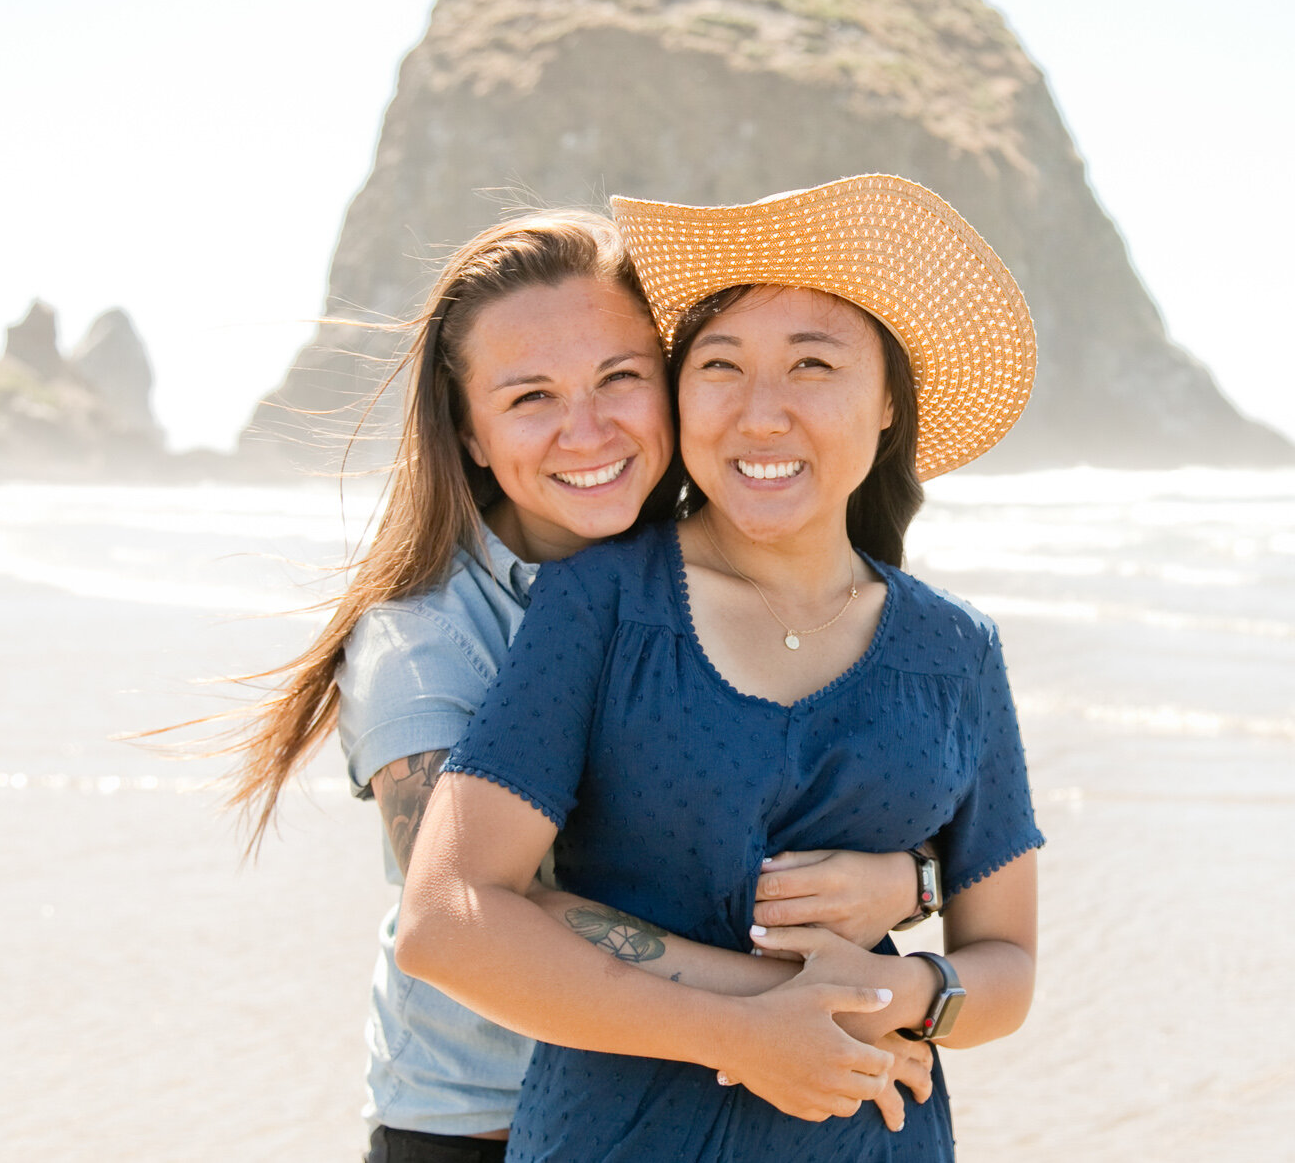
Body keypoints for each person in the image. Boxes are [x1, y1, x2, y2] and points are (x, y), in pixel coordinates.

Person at [211, 212, 937, 1162]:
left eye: (619, 377)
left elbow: (854, 797)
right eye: (530, 397)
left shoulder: (729, 567)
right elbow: (470, 907)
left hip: (696, 1106)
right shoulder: (425, 646)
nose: (586, 430)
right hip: (487, 1123)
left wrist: (908, 878)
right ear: (468, 433)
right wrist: (789, 1003)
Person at [396, 175, 1045, 1161]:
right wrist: (753, 1027)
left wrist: (908, 989)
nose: (760, 413)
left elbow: (1004, 960)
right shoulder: (599, 601)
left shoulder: (955, 651)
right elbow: (445, 918)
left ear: (884, 405)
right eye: (720, 366)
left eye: (813, 365)